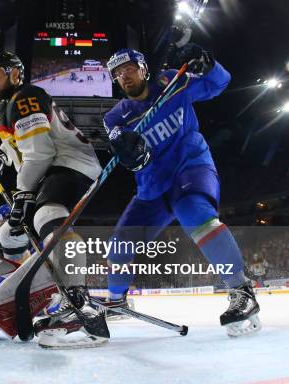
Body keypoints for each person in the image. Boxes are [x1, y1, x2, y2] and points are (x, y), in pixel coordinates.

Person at [102, 44, 260, 336]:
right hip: (152, 187)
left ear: (143, 69)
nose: (125, 76)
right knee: (119, 246)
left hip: (190, 166)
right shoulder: (115, 117)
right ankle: (115, 301)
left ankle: (242, 291)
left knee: (194, 213)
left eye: (129, 69)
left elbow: (218, 85)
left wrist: (209, 64)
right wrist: (128, 152)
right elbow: (125, 154)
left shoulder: (171, 82)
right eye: (118, 73)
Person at [0, 52, 109, 348]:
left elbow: (40, 152)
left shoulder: (25, 97)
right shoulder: (4, 108)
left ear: (14, 74)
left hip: (70, 161)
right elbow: (16, 145)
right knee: (37, 224)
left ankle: (78, 300)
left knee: (46, 213)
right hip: (53, 168)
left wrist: (23, 191)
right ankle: (69, 295)